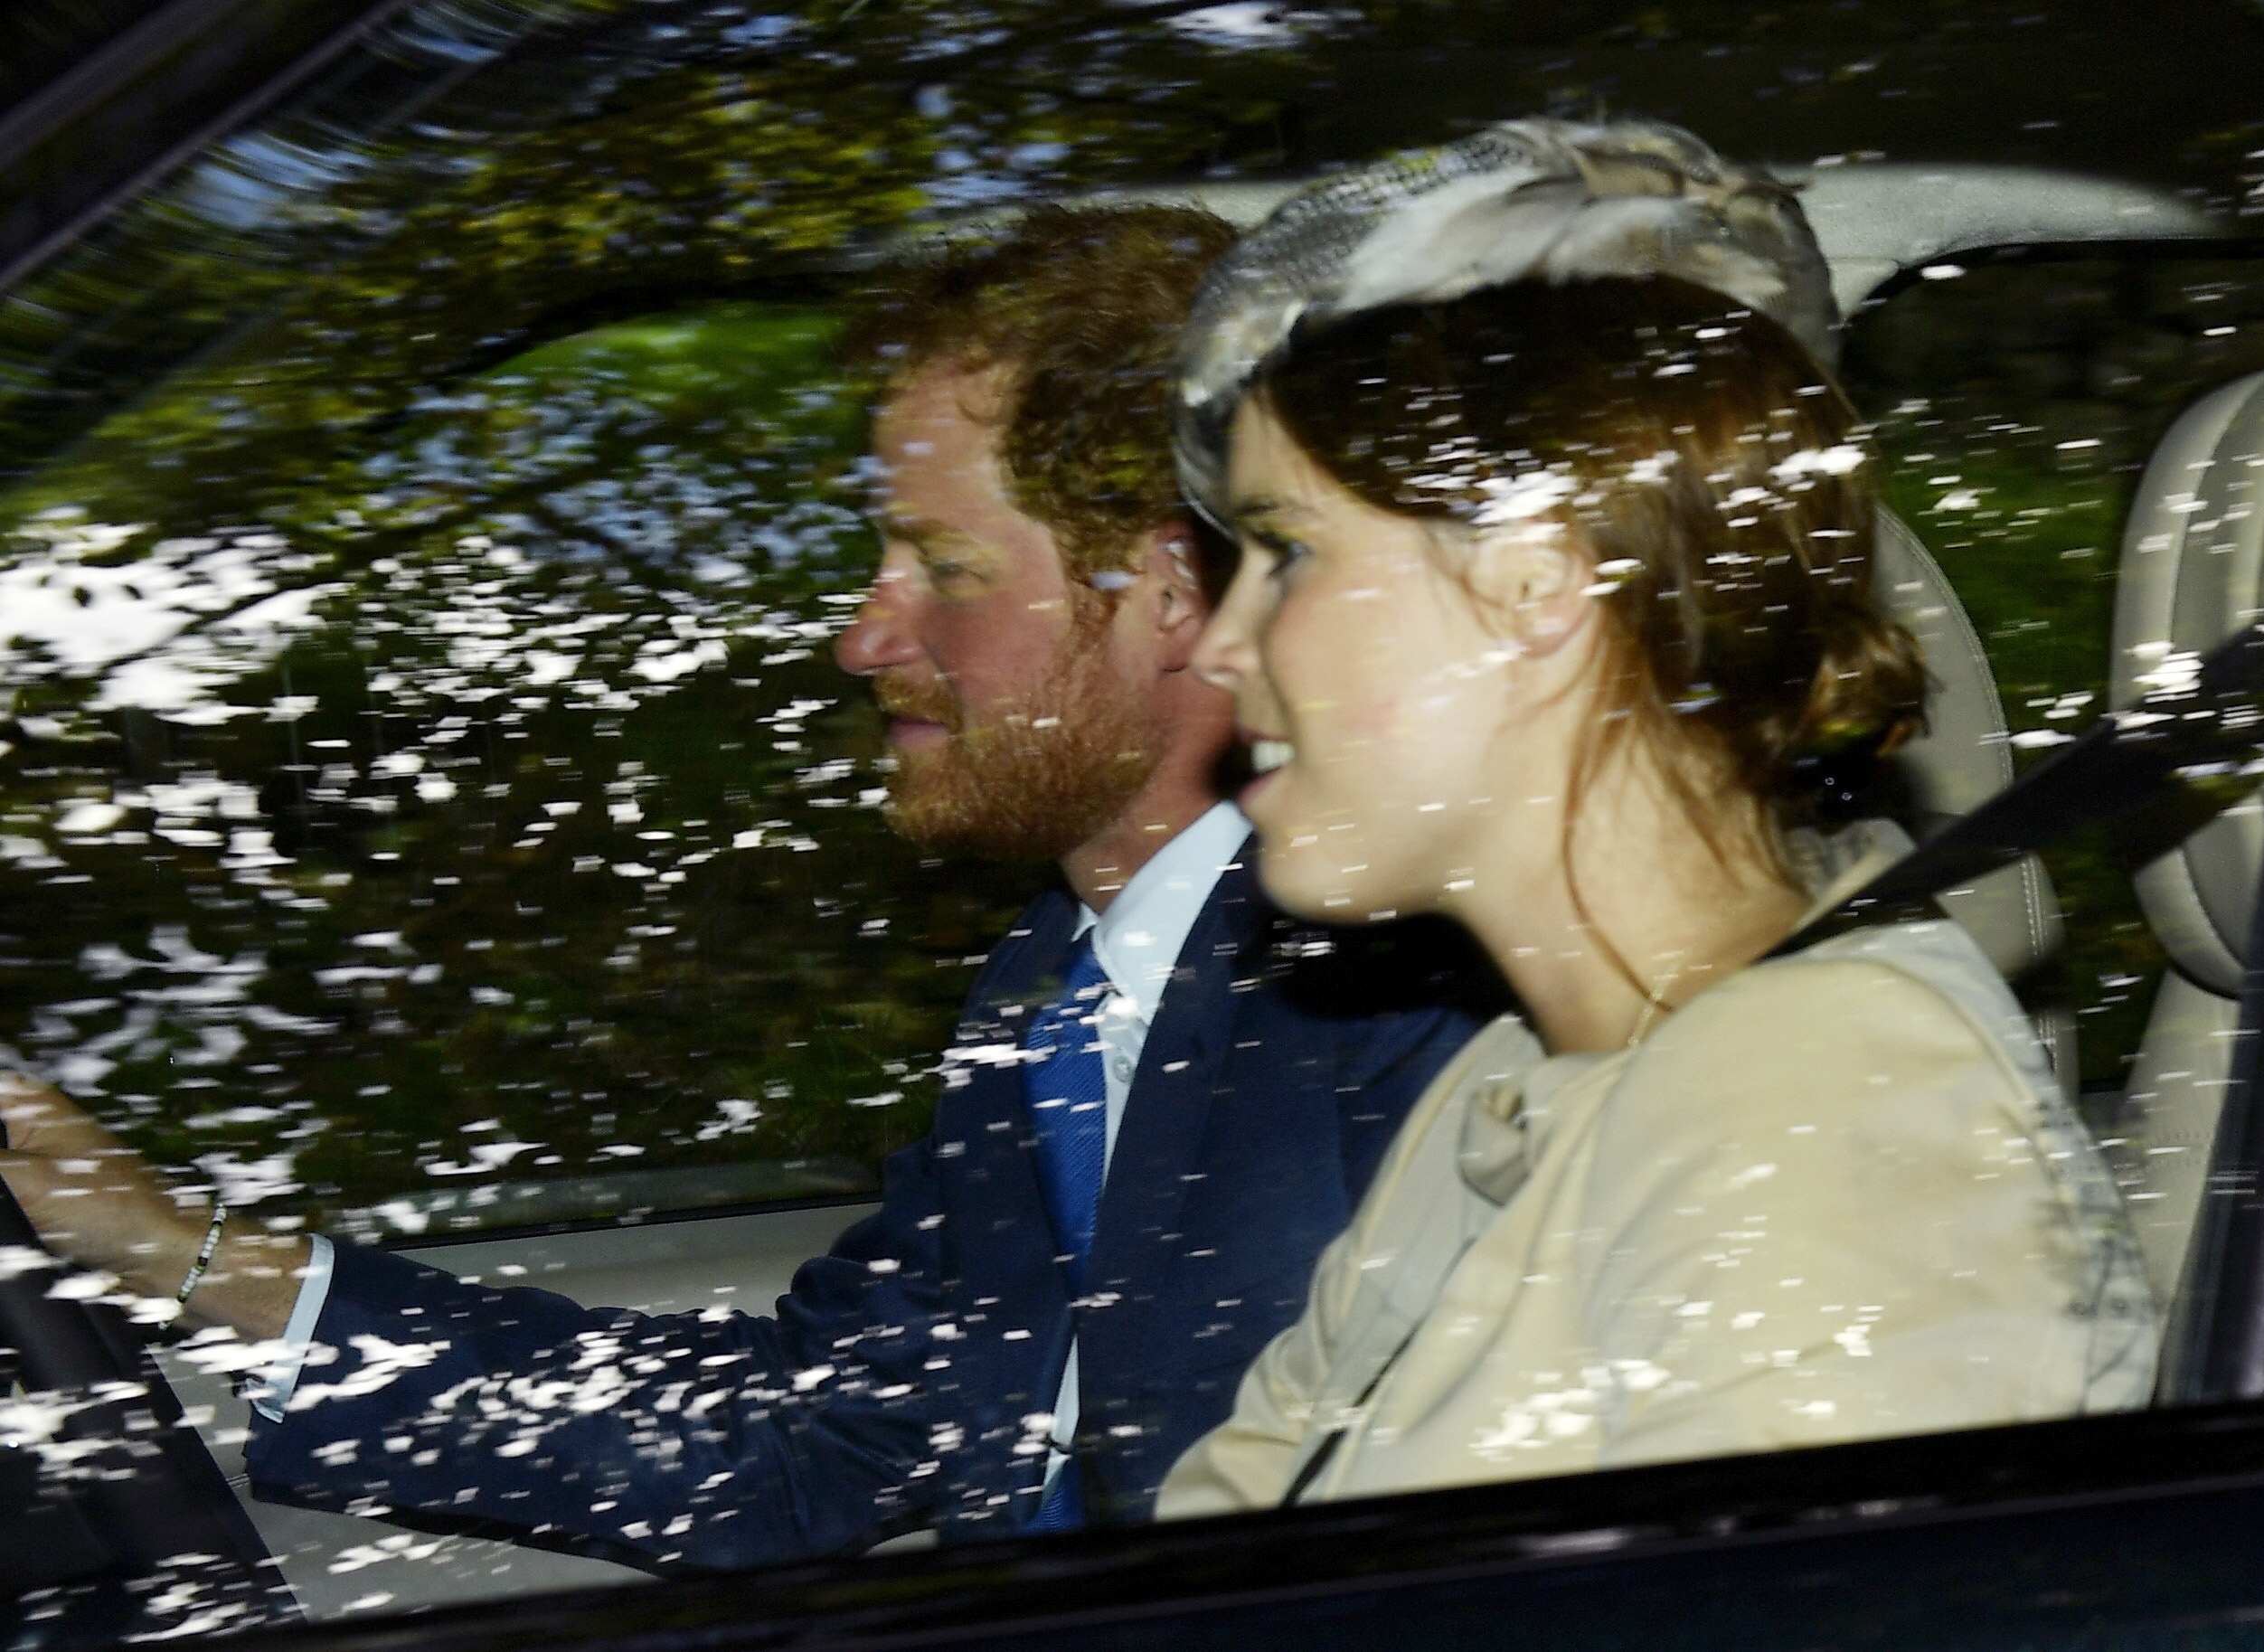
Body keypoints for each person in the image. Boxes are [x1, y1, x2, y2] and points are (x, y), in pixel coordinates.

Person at [0, 206, 1490, 1565]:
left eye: (942, 568)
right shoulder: (1061, 989)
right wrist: (163, 1242)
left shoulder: (1409, 1002)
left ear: (1169, 591)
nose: (862, 636)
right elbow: (810, 1438)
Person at [1148, 121, 2159, 1517]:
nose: (1218, 645)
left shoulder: (1826, 1120)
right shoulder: (1519, 1089)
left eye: (1288, 552)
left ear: (1538, 579)